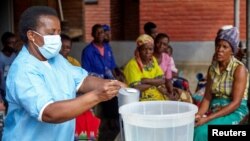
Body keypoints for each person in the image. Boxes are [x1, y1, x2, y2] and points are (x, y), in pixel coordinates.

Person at [2, 6, 125, 141]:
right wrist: (97, 95)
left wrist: (112, 85)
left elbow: (82, 80)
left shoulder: (56, 59)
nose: (56, 38)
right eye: (51, 33)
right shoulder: (23, 69)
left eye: (58, 33)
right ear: (31, 35)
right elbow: (48, 112)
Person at [194, 27, 249, 141]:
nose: (220, 49)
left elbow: (236, 103)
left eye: (225, 47)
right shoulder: (212, 68)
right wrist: (198, 115)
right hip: (216, 107)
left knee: (204, 132)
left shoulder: (239, 69)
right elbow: (207, 98)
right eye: (218, 46)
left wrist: (207, 119)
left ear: (232, 51)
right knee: (192, 127)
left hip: (235, 110)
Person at [81, 24, 120, 141]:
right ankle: (109, 125)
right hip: (95, 81)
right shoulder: (88, 51)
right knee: (108, 93)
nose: (100, 35)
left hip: (108, 80)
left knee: (117, 90)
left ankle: (112, 124)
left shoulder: (107, 48)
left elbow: (112, 66)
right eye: (97, 32)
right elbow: (86, 72)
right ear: (92, 35)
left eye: (102, 32)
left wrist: (117, 75)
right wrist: (103, 78)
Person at [123, 34, 169, 101]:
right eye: (144, 49)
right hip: (141, 100)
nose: (148, 52)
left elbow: (162, 80)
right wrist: (155, 83)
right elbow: (136, 88)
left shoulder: (153, 60)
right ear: (139, 50)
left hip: (157, 97)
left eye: (150, 49)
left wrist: (146, 81)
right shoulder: (133, 65)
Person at [0, 32, 18, 111]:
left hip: (13, 91)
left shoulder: (15, 55)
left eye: (15, 42)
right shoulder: (1, 57)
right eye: (11, 43)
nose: (14, 45)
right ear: (5, 44)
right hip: (3, 91)